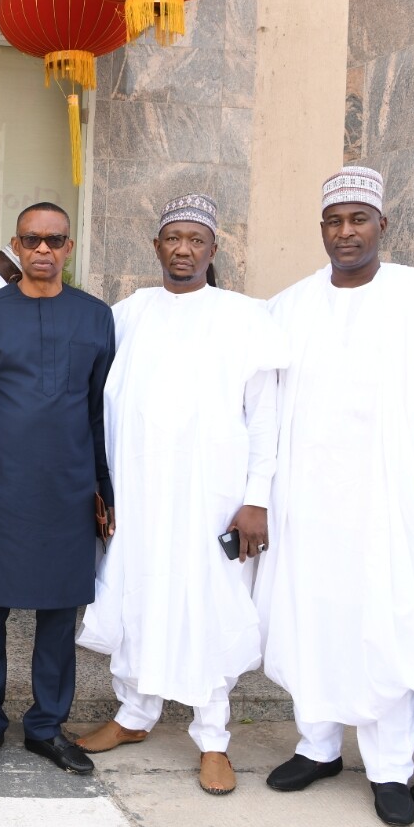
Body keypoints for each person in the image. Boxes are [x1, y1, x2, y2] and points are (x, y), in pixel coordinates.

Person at [258, 166, 414, 827]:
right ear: (321, 229)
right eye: (334, 221)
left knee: (387, 622)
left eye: (358, 219)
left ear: (383, 224)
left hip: (387, 498)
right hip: (306, 499)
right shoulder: (290, 305)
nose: (345, 232)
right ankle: (318, 748)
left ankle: (388, 768)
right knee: (314, 616)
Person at [73, 194, 288, 796]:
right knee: (137, 594)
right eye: (173, 238)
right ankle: (133, 715)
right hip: (139, 493)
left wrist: (256, 498)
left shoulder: (245, 318)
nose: (184, 250)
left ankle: (213, 737)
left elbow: (264, 419)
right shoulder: (128, 315)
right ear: (156, 247)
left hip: (212, 498)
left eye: (196, 240)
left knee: (209, 603)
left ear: (214, 249)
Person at [0, 202, 112, 775]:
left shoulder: (95, 317)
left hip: (69, 489)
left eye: (54, 240)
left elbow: (100, 412)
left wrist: (104, 489)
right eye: (31, 239)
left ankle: (46, 727)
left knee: (59, 615)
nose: (43, 249)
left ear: (69, 248)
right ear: (16, 246)